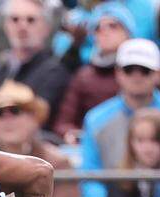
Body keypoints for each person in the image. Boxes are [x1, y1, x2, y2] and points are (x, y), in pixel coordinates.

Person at [79, 38, 160, 197]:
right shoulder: (96, 119)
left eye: (145, 70)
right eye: (129, 70)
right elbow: (90, 175)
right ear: (118, 73)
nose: (136, 76)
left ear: (159, 74)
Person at [0, 0, 69, 124]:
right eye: (15, 19)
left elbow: (38, 116)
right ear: (5, 26)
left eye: (31, 20)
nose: (22, 26)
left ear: (47, 28)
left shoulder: (54, 73)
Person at [53, 2, 133, 142]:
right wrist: (72, 135)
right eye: (97, 28)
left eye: (113, 26)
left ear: (128, 32)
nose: (105, 32)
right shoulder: (83, 76)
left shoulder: (144, 70)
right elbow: (63, 123)